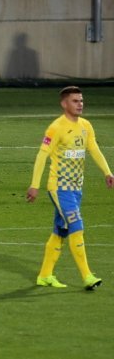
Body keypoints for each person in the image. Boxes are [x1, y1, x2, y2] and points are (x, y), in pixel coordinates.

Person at [26, 86, 114, 291]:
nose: (80, 104)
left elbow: (94, 149)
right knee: (77, 225)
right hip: (59, 187)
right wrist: (34, 185)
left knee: (60, 231)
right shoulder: (56, 127)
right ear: (64, 104)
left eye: (81, 100)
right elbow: (42, 156)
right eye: (75, 101)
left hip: (76, 188)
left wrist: (108, 172)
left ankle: (45, 275)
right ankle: (87, 276)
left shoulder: (86, 126)